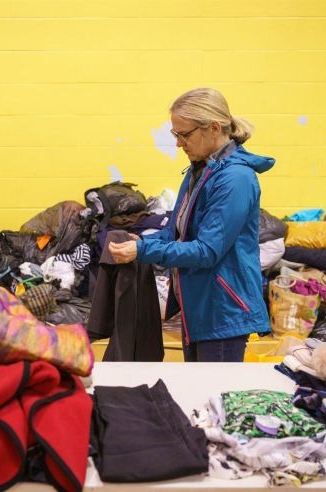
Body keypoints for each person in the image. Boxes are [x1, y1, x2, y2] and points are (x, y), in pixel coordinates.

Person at [108, 88, 274, 362]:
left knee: (215, 388)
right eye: (175, 134)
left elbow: (207, 251)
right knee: (197, 386)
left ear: (214, 128)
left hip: (222, 311)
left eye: (184, 134)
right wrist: (142, 242)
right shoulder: (201, 169)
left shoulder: (235, 179)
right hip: (199, 305)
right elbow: (178, 232)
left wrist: (143, 251)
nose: (178, 144)